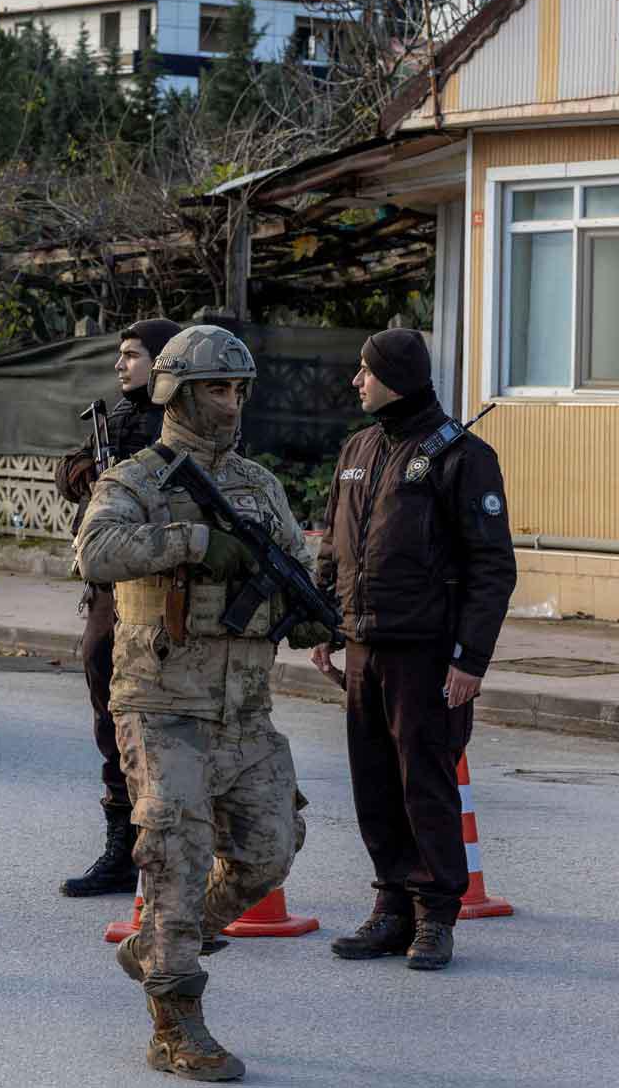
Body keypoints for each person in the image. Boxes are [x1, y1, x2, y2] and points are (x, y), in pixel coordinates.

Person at [78, 324, 320, 1082]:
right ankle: (175, 1020)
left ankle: (156, 946)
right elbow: (94, 551)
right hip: (162, 701)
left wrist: (309, 608)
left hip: (245, 707)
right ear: (177, 393)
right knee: (175, 861)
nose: (232, 401)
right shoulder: (138, 479)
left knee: (270, 848)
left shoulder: (258, 483)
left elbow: (293, 562)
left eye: (240, 388)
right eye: (218, 387)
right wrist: (188, 541)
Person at [310, 328, 516, 971]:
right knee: (373, 786)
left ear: (394, 375)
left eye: (364, 371)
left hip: (426, 654)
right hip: (362, 647)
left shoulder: (463, 456)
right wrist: (323, 622)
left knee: (424, 784)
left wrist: (470, 661)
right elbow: (332, 545)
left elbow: (492, 568)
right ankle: (391, 906)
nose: (356, 381)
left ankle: (435, 917)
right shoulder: (357, 448)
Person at [52, 317, 183, 898]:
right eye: (121, 354)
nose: (120, 364)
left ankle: (180, 845)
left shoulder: (185, 419)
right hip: (109, 585)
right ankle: (121, 844)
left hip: (164, 586)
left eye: (132, 355)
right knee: (106, 698)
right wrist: (87, 475)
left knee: (169, 717)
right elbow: (67, 470)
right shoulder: (117, 417)